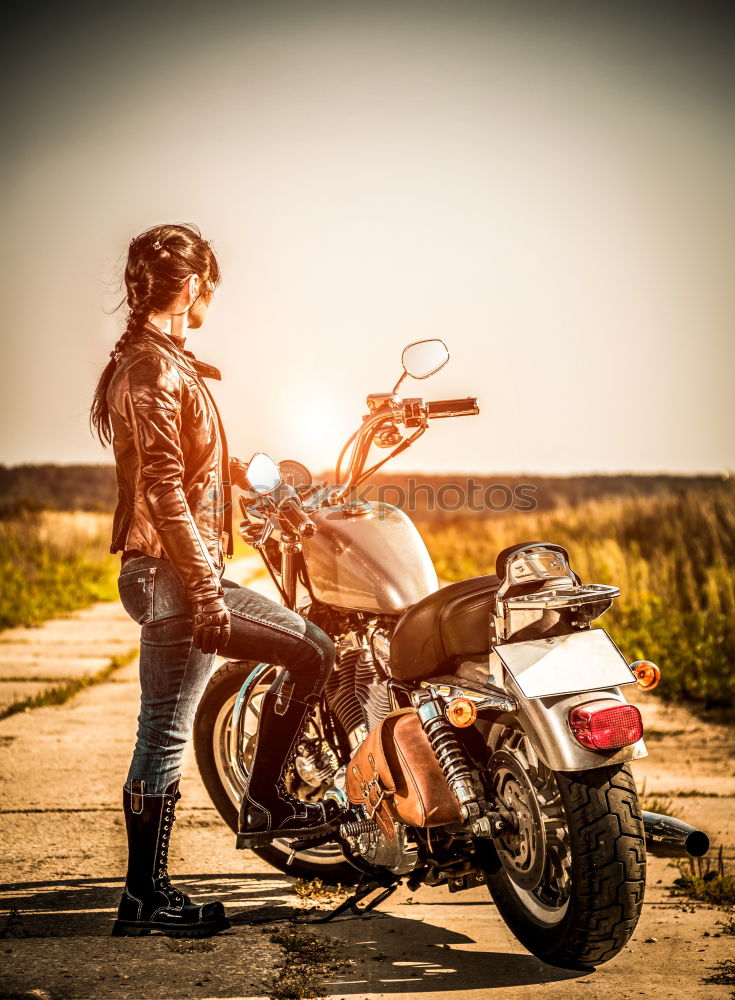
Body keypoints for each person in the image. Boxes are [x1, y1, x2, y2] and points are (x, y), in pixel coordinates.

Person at [90, 223, 341, 938]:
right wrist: (205, 593)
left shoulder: (160, 360)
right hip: (174, 576)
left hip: (172, 570)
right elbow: (165, 489)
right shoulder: (151, 368)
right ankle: (153, 891)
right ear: (194, 286)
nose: (210, 300)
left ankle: (259, 809)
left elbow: (189, 466)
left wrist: (262, 482)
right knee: (177, 727)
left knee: (295, 658)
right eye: (210, 288)